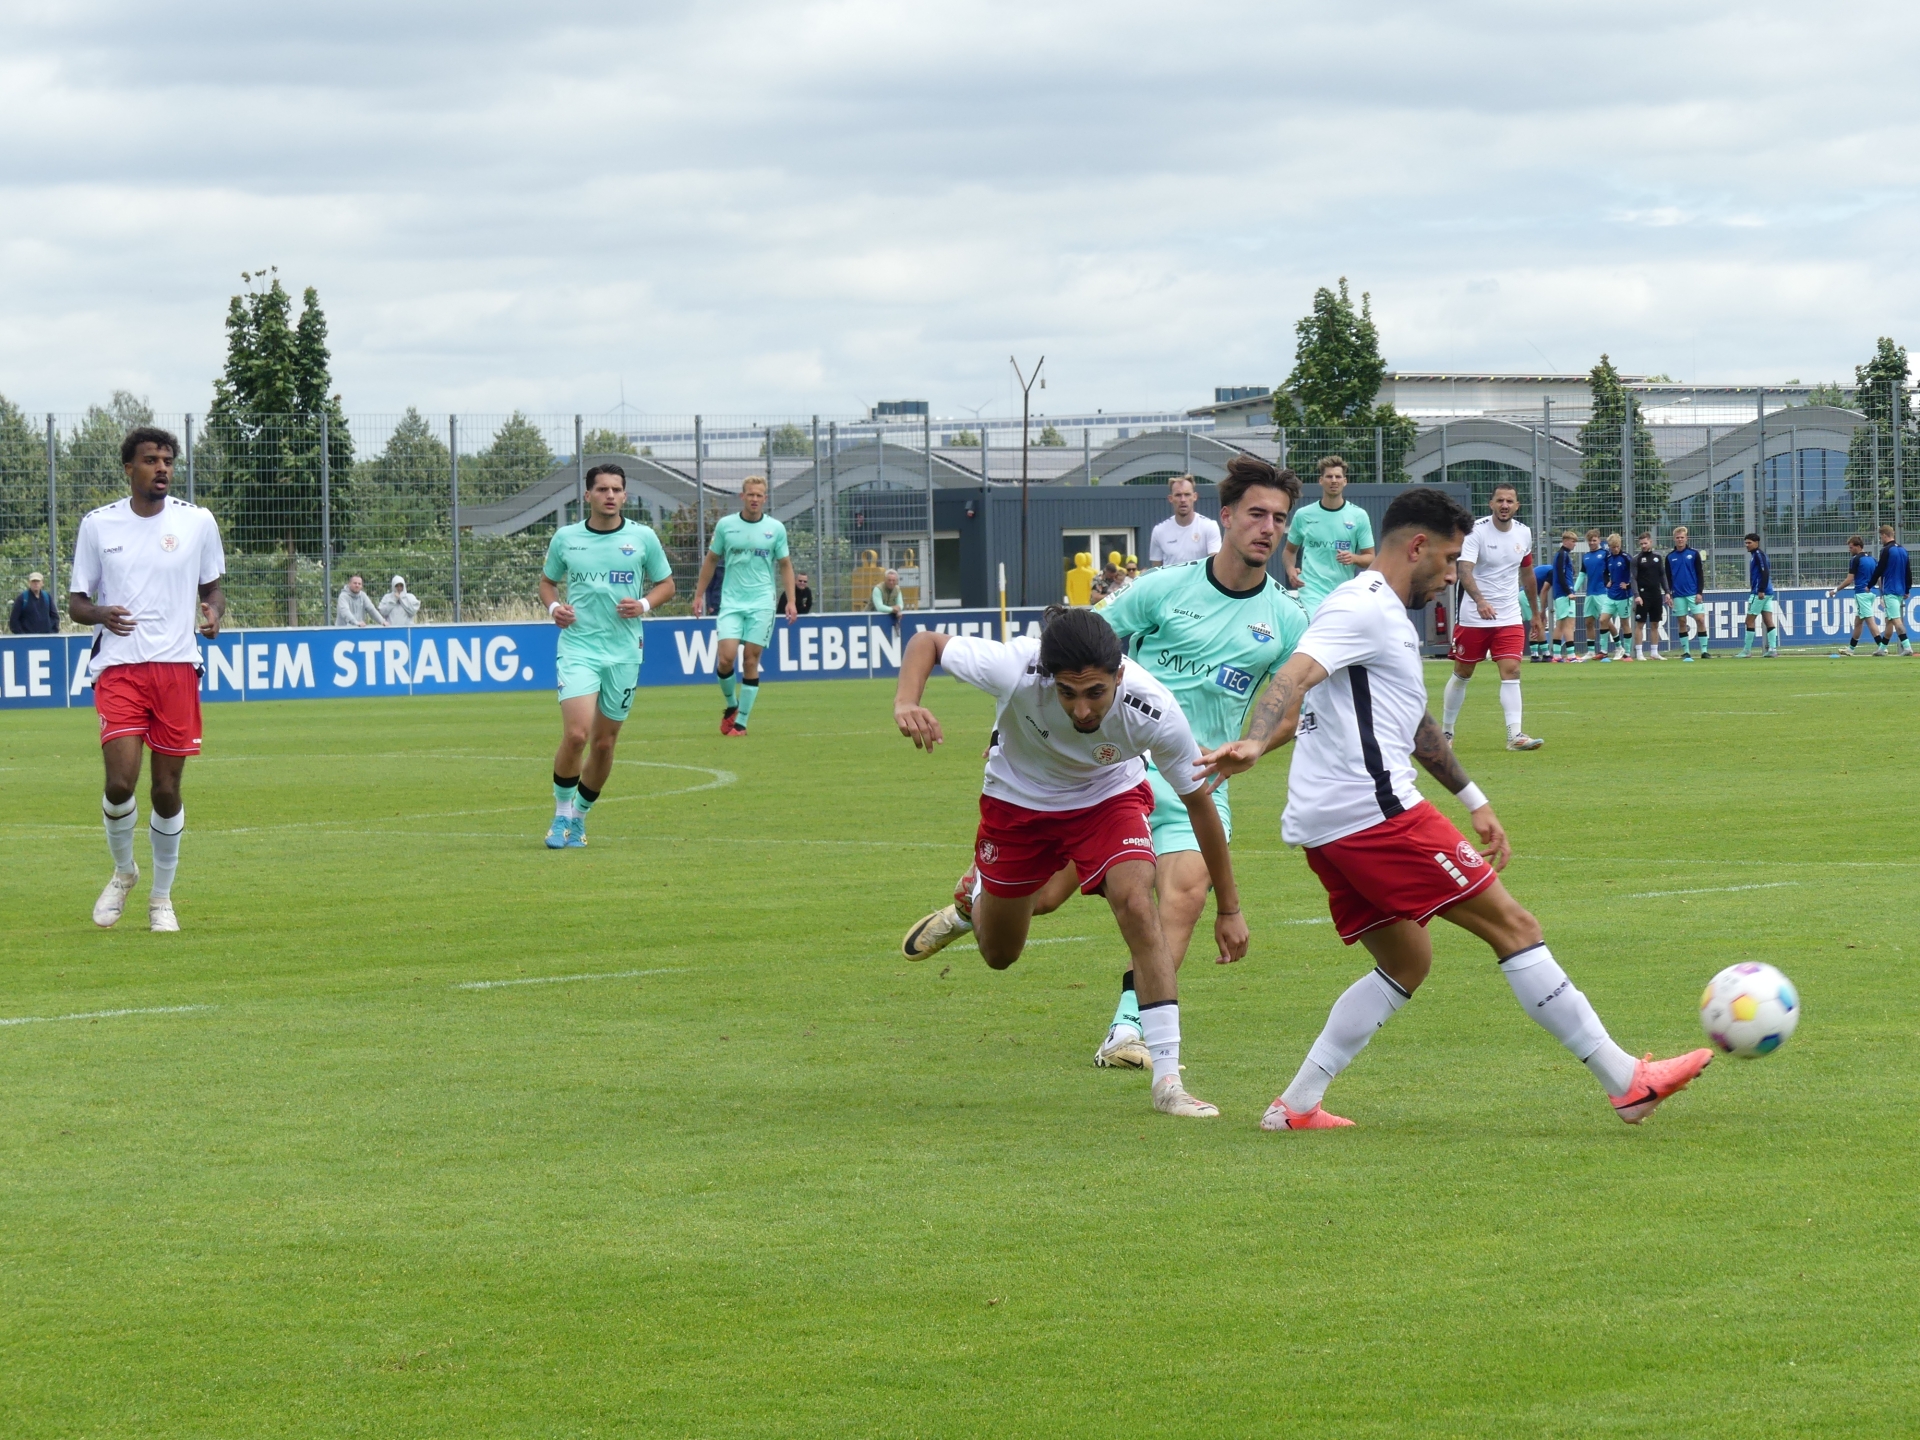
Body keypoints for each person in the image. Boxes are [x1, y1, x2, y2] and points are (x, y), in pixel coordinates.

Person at [1193, 485, 1712, 1132]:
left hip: (1330, 825)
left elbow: (1413, 726)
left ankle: (1296, 1106)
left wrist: (1473, 798)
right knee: (1514, 926)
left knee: (1406, 962)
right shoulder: (1361, 605)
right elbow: (1293, 677)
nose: (1451, 577)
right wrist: (1250, 739)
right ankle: (1626, 1082)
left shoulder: (1381, 614)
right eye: (1447, 560)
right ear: (1417, 546)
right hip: (1375, 815)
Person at [901, 455, 1307, 1072]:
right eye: (1256, 513)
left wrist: (1252, 744)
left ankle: (1129, 1030)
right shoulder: (1161, 588)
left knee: (1182, 895)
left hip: (1200, 777)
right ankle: (972, 900)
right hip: (1110, 771)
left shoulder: (1287, 619)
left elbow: (1289, 709)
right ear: (1225, 517)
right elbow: (1070, 650)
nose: (1268, 527)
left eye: (1279, 518)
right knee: (1040, 901)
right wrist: (1013, 733)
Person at [891, 606, 1248, 1118]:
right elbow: (926, 641)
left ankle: (1168, 1082)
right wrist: (907, 701)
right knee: (1000, 954)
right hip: (1017, 803)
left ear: (1119, 675)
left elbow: (1200, 805)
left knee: (1136, 903)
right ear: (1047, 676)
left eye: (1095, 692)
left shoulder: (1153, 708)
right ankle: (977, 899)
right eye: (1067, 693)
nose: (1082, 710)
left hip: (1108, 798)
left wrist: (1229, 908)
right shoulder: (1016, 666)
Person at [67, 426, 227, 933]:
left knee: (165, 790)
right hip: (119, 667)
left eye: (168, 461)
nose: (162, 468)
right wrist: (101, 613)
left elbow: (212, 588)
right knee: (119, 783)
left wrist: (214, 613)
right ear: (129, 468)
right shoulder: (99, 525)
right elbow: (76, 604)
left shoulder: (197, 522)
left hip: (177, 667)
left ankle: (162, 898)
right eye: (151, 460)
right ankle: (123, 872)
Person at [539, 464, 675, 848]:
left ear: (625, 495)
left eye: (616, 489)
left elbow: (667, 584)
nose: (610, 495)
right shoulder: (566, 538)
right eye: (602, 489)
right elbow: (547, 583)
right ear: (588, 496)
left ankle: (579, 818)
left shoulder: (642, 537)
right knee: (577, 734)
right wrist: (554, 608)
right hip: (578, 647)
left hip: (624, 652)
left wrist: (644, 604)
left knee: (603, 744)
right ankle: (560, 815)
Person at [1440, 483, 1542, 749]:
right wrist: (1480, 601)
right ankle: (1446, 733)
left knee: (1512, 670)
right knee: (1463, 672)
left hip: (1509, 615)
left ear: (1517, 506)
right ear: (1491, 504)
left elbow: (1527, 574)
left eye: (1509, 501)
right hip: (1475, 616)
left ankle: (1515, 736)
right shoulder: (1476, 531)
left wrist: (1536, 614)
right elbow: (1464, 570)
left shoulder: (1524, 533)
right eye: (1500, 500)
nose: (1504, 505)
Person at [694, 476, 796, 736]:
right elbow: (711, 560)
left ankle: (741, 723)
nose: (754, 499)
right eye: (750, 494)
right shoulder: (726, 526)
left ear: (765, 499)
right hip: (731, 602)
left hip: (762, 603)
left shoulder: (775, 528)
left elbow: (785, 565)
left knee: (751, 660)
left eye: (759, 495)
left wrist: (791, 600)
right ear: (742, 496)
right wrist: (699, 595)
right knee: (726, 658)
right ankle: (732, 705)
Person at [1283, 454, 1376, 614]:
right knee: (1317, 624)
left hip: (1343, 592)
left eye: (1338, 477)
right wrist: (1291, 570)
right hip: (1311, 591)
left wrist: (1354, 558)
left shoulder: (1359, 516)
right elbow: (1289, 551)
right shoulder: (1303, 515)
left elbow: (1370, 557)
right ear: (1321, 480)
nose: (1334, 480)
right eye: (1329, 476)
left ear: (1345, 481)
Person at [1826, 535, 1885, 657]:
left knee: (1870, 620)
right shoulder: (1872, 560)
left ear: (1858, 546)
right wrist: (1881, 594)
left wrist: (1835, 590)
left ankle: (1882, 647)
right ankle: (1851, 649)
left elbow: (1849, 579)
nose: (1850, 550)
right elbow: (1879, 578)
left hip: (1861, 593)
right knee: (1858, 622)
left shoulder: (1855, 559)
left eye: (1851, 547)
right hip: (1871, 593)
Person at [1147, 474, 1221, 568]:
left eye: (1187, 494)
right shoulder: (1159, 531)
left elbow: (1216, 566)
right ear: (1170, 498)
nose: (1183, 500)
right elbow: (1156, 569)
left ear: (1195, 496)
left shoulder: (1209, 526)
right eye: (1178, 495)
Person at [1666, 526, 1710, 661]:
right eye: (1678, 538)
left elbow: (1700, 574)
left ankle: (1704, 651)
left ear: (1686, 538)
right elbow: (1668, 577)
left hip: (1693, 593)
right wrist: (1668, 593)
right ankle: (1686, 651)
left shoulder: (1694, 554)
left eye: (1682, 537)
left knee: (1700, 619)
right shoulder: (1670, 557)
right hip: (1678, 595)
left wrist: (1699, 592)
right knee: (1682, 621)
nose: (1680, 540)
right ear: (1674, 539)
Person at [1870, 524, 1913, 656]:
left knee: (1895, 619)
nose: (1881, 539)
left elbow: (1879, 569)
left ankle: (1907, 647)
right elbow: (1908, 572)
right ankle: (1882, 649)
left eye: (1881, 537)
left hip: (1890, 590)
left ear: (1884, 535)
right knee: (1889, 621)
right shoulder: (1903, 550)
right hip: (1900, 590)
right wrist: (1907, 589)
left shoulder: (1886, 550)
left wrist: (1869, 584)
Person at [1740, 533, 1779, 657]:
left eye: (1749, 543)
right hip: (1768, 592)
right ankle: (1772, 649)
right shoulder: (1757, 555)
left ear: (1756, 543)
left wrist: (1760, 589)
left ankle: (1747, 651)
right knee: (1768, 621)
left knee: (1749, 621)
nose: (1747, 545)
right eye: (1746, 543)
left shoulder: (1758, 555)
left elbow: (1765, 572)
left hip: (1759, 593)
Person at [1631, 533, 1668, 660]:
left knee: (1655, 624)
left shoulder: (1657, 557)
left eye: (1645, 543)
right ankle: (1639, 653)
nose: (1643, 546)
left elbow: (1662, 575)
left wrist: (1667, 592)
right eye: (1641, 544)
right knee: (1640, 624)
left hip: (1656, 595)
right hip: (1643, 595)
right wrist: (1637, 595)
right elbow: (1633, 578)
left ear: (1650, 542)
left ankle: (1654, 652)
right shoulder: (1636, 559)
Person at [1598, 534, 1634, 661]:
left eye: (1617, 546)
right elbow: (1604, 573)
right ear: (1609, 547)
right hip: (1611, 595)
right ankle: (1604, 651)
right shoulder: (1608, 558)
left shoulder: (1626, 557)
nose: (1616, 549)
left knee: (1625, 623)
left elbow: (1635, 573)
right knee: (1603, 620)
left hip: (1624, 596)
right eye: (1613, 547)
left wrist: (1629, 585)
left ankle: (1627, 653)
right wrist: (1606, 582)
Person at [1550, 531, 1583, 662]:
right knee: (1569, 624)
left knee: (1560, 624)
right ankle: (1571, 655)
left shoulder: (1561, 555)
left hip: (1560, 593)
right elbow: (1560, 574)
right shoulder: (1563, 554)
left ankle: (1557, 655)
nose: (1574, 544)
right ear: (1565, 541)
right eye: (1573, 541)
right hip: (1564, 594)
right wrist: (1569, 591)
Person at [1578, 530, 1608, 658]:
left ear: (1599, 540)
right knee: (1588, 622)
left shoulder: (1605, 554)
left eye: (1594, 540)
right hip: (1589, 593)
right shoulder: (1586, 556)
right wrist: (1573, 590)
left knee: (1605, 621)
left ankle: (1617, 647)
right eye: (1589, 541)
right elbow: (1582, 575)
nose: (1592, 543)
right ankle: (1591, 651)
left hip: (1602, 592)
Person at [1525, 560, 1554, 661]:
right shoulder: (1553, 572)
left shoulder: (1550, 569)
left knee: (1537, 624)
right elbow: (1544, 591)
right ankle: (1545, 654)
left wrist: (1543, 611)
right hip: (1527, 595)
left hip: (1526, 594)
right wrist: (1542, 611)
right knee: (1538, 623)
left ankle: (1535, 655)